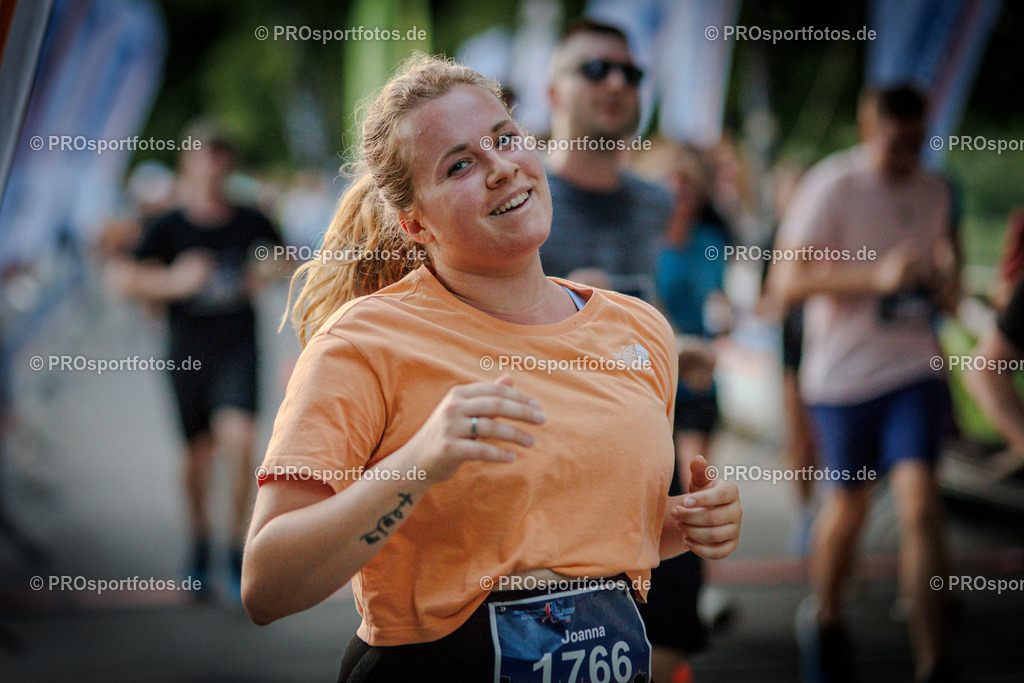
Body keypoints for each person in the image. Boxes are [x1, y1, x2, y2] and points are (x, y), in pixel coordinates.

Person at [241, 54, 742, 681]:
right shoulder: (364, 341)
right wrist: (420, 462)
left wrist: (686, 524)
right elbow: (268, 586)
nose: (502, 167)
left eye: (505, 139)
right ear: (414, 222)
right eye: (460, 164)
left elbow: (569, 537)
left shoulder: (637, 328)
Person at [541, 19, 722, 683]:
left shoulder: (653, 201)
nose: (617, 82)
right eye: (595, 69)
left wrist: (679, 346)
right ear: (552, 89)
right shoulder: (520, 199)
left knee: (668, 636)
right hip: (547, 472)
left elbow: (646, 313)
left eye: (630, 72)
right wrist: (572, 305)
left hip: (649, 456)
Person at [773, 86, 959, 683]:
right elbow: (784, 282)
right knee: (848, 510)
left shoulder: (936, 190)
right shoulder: (833, 184)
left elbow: (945, 275)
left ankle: (933, 663)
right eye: (894, 141)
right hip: (844, 378)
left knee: (921, 505)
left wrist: (942, 284)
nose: (906, 152)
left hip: (914, 370)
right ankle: (826, 618)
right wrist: (876, 276)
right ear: (867, 126)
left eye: (915, 142)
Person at [107, 122, 284, 600]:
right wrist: (173, 284)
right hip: (186, 350)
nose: (210, 166)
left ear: (228, 164)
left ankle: (235, 548)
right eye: (202, 156)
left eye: (219, 157)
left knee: (241, 442)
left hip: (237, 345)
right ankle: (200, 545)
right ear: (187, 162)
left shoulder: (249, 219)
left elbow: (283, 257)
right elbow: (122, 279)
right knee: (196, 456)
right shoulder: (166, 225)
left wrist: (263, 271)